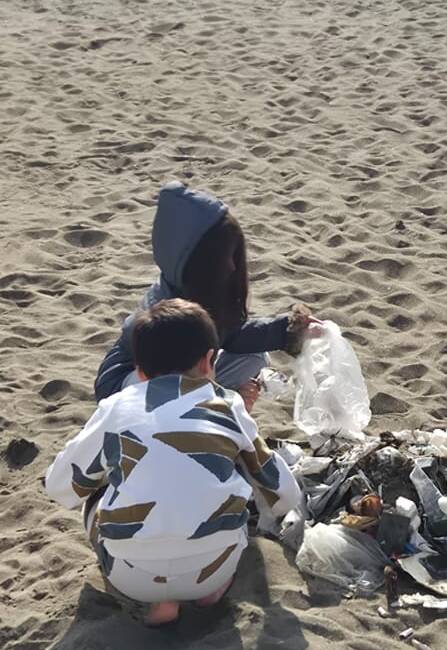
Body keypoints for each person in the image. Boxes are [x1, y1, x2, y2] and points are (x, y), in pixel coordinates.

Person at [46, 299, 303, 626]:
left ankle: (156, 602)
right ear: (209, 361)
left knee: (97, 489)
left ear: (139, 370)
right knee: (234, 475)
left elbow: (60, 487)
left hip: (132, 577)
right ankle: (209, 590)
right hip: (213, 570)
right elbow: (284, 496)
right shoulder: (229, 405)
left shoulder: (116, 407)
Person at [94, 181, 317, 411]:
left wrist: (289, 331)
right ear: (202, 262)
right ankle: (200, 412)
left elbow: (230, 335)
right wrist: (227, 404)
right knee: (183, 383)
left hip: (172, 371)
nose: (233, 266)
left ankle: (205, 405)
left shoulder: (200, 290)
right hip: (125, 386)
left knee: (254, 357)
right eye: (226, 256)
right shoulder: (170, 311)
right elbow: (169, 371)